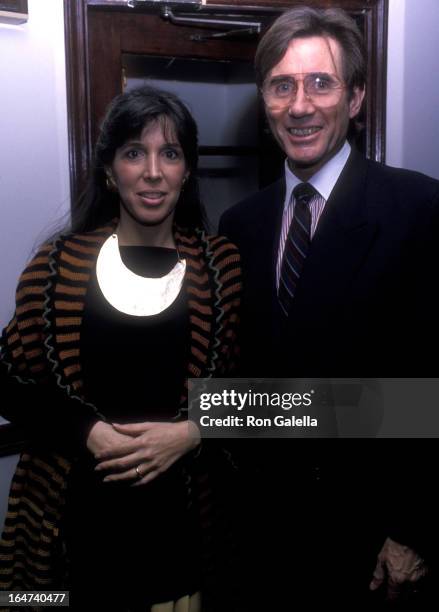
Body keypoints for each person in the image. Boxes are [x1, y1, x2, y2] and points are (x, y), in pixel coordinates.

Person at [219, 6, 438, 609]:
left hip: (370, 545)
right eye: (282, 85)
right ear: (264, 99)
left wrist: (415, 530)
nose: (300, 105)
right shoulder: (240, 225)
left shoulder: (418, 208)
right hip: (261, 537)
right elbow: (248, 383)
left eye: (322, 82)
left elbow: (428, 392)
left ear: (358, 96)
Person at [0, 85, 241, 611]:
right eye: (134, 153)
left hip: (181, 534)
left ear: (187, 171)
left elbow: (255, 391)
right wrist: (87, 432)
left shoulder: (222, 267)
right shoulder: (55, 265)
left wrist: (192, 430)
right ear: (110, 171)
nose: (153, 172)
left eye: (170, 153)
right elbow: (6, 382)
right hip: (71, 533)